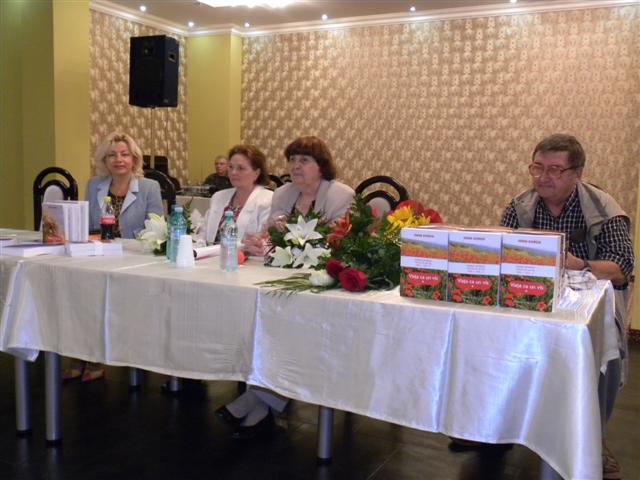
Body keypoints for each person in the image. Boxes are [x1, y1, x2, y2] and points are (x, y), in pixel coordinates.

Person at [501, 133, 634, 480]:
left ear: (576, 174)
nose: (543, 177)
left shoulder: (603, 209)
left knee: (601, 351)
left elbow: (622, 267)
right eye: (537, 167)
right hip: (530, 296)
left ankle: (593, 438)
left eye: (555, 170)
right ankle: (497, 426)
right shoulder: (520, 206)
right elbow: (503, 252)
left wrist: (579, 264)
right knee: (493, 332)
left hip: (589, 304)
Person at [217, 136, 355, 439]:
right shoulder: (283, 193)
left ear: (321, 165)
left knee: (294, 333)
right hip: (283, 279)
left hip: (322, 284)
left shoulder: (340, 195)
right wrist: (259, 241)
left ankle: (254, 402)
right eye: (292, 160)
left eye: (304, 160)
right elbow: (270, 234)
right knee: (270, 326)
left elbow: (337, 243)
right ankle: (260, 408)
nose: (295, 166)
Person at [64, 132, 163, 382]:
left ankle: (101, 355)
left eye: (124, 154)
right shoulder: (93, 185)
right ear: (104, 160)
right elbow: (87, 223)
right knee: (80, 294)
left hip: (133, 259)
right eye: (112, 155)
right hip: (98, 254)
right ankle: (83, 354)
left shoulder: (149, 187)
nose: (119, 160)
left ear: (134, 159)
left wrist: (124, 241)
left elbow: (156, 227)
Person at [204, 145, 273, 244]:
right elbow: (203, 234)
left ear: (256, 173)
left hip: (246, 254)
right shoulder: (218, 197)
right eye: (231, 167)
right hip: (210, 253)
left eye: (240, 168)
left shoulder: (268, 200)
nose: (233, 172)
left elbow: (265, 242)